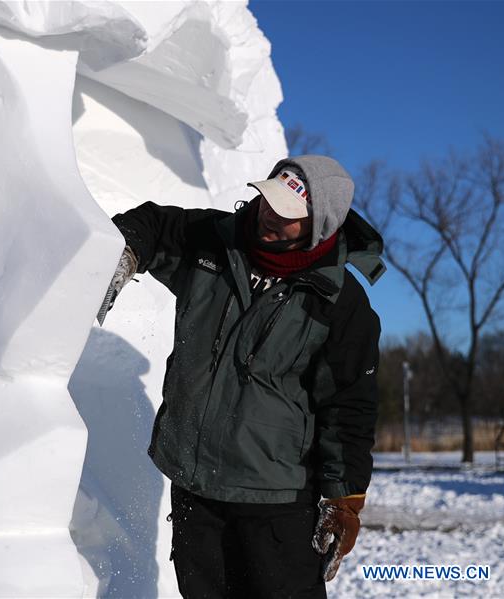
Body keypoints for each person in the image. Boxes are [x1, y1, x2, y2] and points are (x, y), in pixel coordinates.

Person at [105, 155, 385, 597]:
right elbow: (154, 225)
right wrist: (122, 253)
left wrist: (342, 498)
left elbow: (348, 408)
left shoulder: (341, 306)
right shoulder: (214, 244)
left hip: (276, 503)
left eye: (288, 215)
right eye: (268, 201)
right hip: (195, 487)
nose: (270, 217)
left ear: (320, 226)